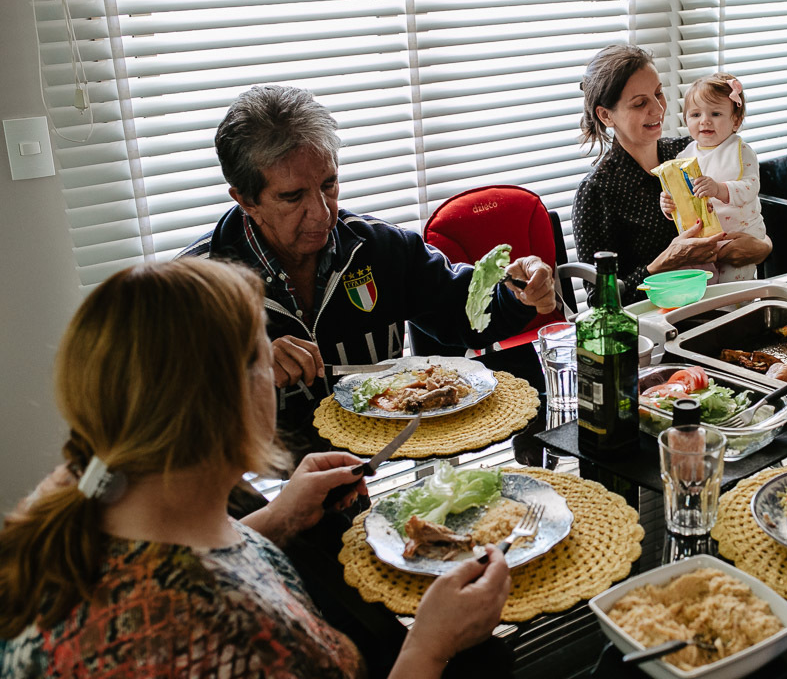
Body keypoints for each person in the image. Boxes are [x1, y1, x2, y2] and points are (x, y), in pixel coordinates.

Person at [0, 258, 511, 679]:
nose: (275, 363)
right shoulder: (220, 647)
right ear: (227, 399)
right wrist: (428, 647)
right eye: (262, 352)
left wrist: (280, 517)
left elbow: (181, 562)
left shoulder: (80, 494)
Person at [179, 85, 556, 450]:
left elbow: (465, 311)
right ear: (245, 200)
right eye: (292, 197)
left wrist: (514, 290)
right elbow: (165, 426)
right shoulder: (193, 289)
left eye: (329, 184)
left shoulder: (379, 247)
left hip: (373, 470)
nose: (322, 212)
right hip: (258, 496)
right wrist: (243, 369)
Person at [573, 45, 771, 292]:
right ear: (606, 115)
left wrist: (763, 247)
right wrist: (665, 262)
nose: (657, 109)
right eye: (639, 103)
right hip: (656, 320)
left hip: (719, 302)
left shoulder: (692, 150)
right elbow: (600, 297)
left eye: (658, 93)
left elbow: (746, 212)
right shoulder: (596, 192)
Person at [657, 73, 771, 283]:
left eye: (716, 113)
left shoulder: (740, 150)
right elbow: (683, 198)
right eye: (695, 115)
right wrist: (669, 205)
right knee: (703, 286)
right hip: (704, 239)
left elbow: (750, 188)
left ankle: (737, 312)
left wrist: (719, 189)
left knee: (734, 290)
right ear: (686, 120)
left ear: (736, 121)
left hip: (740, 236)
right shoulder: (685, 156)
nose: (705, 121)